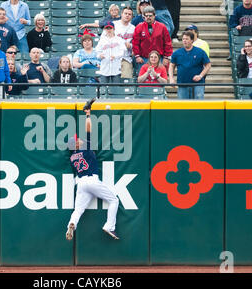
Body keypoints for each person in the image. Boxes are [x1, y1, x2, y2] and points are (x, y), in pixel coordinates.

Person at [65, 107, 120, 241]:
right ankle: (109, 226)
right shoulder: (86, 149)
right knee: (114, 200)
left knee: (78, 210)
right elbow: (88, 129)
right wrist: (88, 115)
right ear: (76, 144)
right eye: (77, 140)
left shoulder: (72, 157)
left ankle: (72, 224)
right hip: (92, 180)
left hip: (81, 184)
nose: (80, 139)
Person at [169, 31, 211, 99]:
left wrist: (200, 76)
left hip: (198, 84)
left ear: (192, 40)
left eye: (187, 39)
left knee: (198, 105)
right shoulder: (177, 53)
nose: (184, 41)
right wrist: (171, 78)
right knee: (183, 106)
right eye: (183, 39)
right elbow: (171, 65)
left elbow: (208, 65)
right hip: (182, 83)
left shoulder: (200, 52)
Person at [132, 6, 173, 74]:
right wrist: (137, 56)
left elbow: (167, 43)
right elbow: (135, 43)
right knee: (143, 80)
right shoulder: (139, 27)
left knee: (159, 79)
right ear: (143, 16)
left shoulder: (162, 27)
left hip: (159, 57)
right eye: (146, 16)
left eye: (150, 15)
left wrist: (166, 57)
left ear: (154, 16)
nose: (148, 17)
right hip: (144, 58)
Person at [114, 7, 135, 79]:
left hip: (126, 58)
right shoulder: (114, 25)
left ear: (132, 16)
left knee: (127, 80)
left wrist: (131, 46)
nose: (127, 15)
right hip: (114, 57)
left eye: (129, 14)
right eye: (125, 13)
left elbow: (135, 43)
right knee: (114, 82)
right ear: (121, 14)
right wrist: (123, 43)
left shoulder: (133, 28)